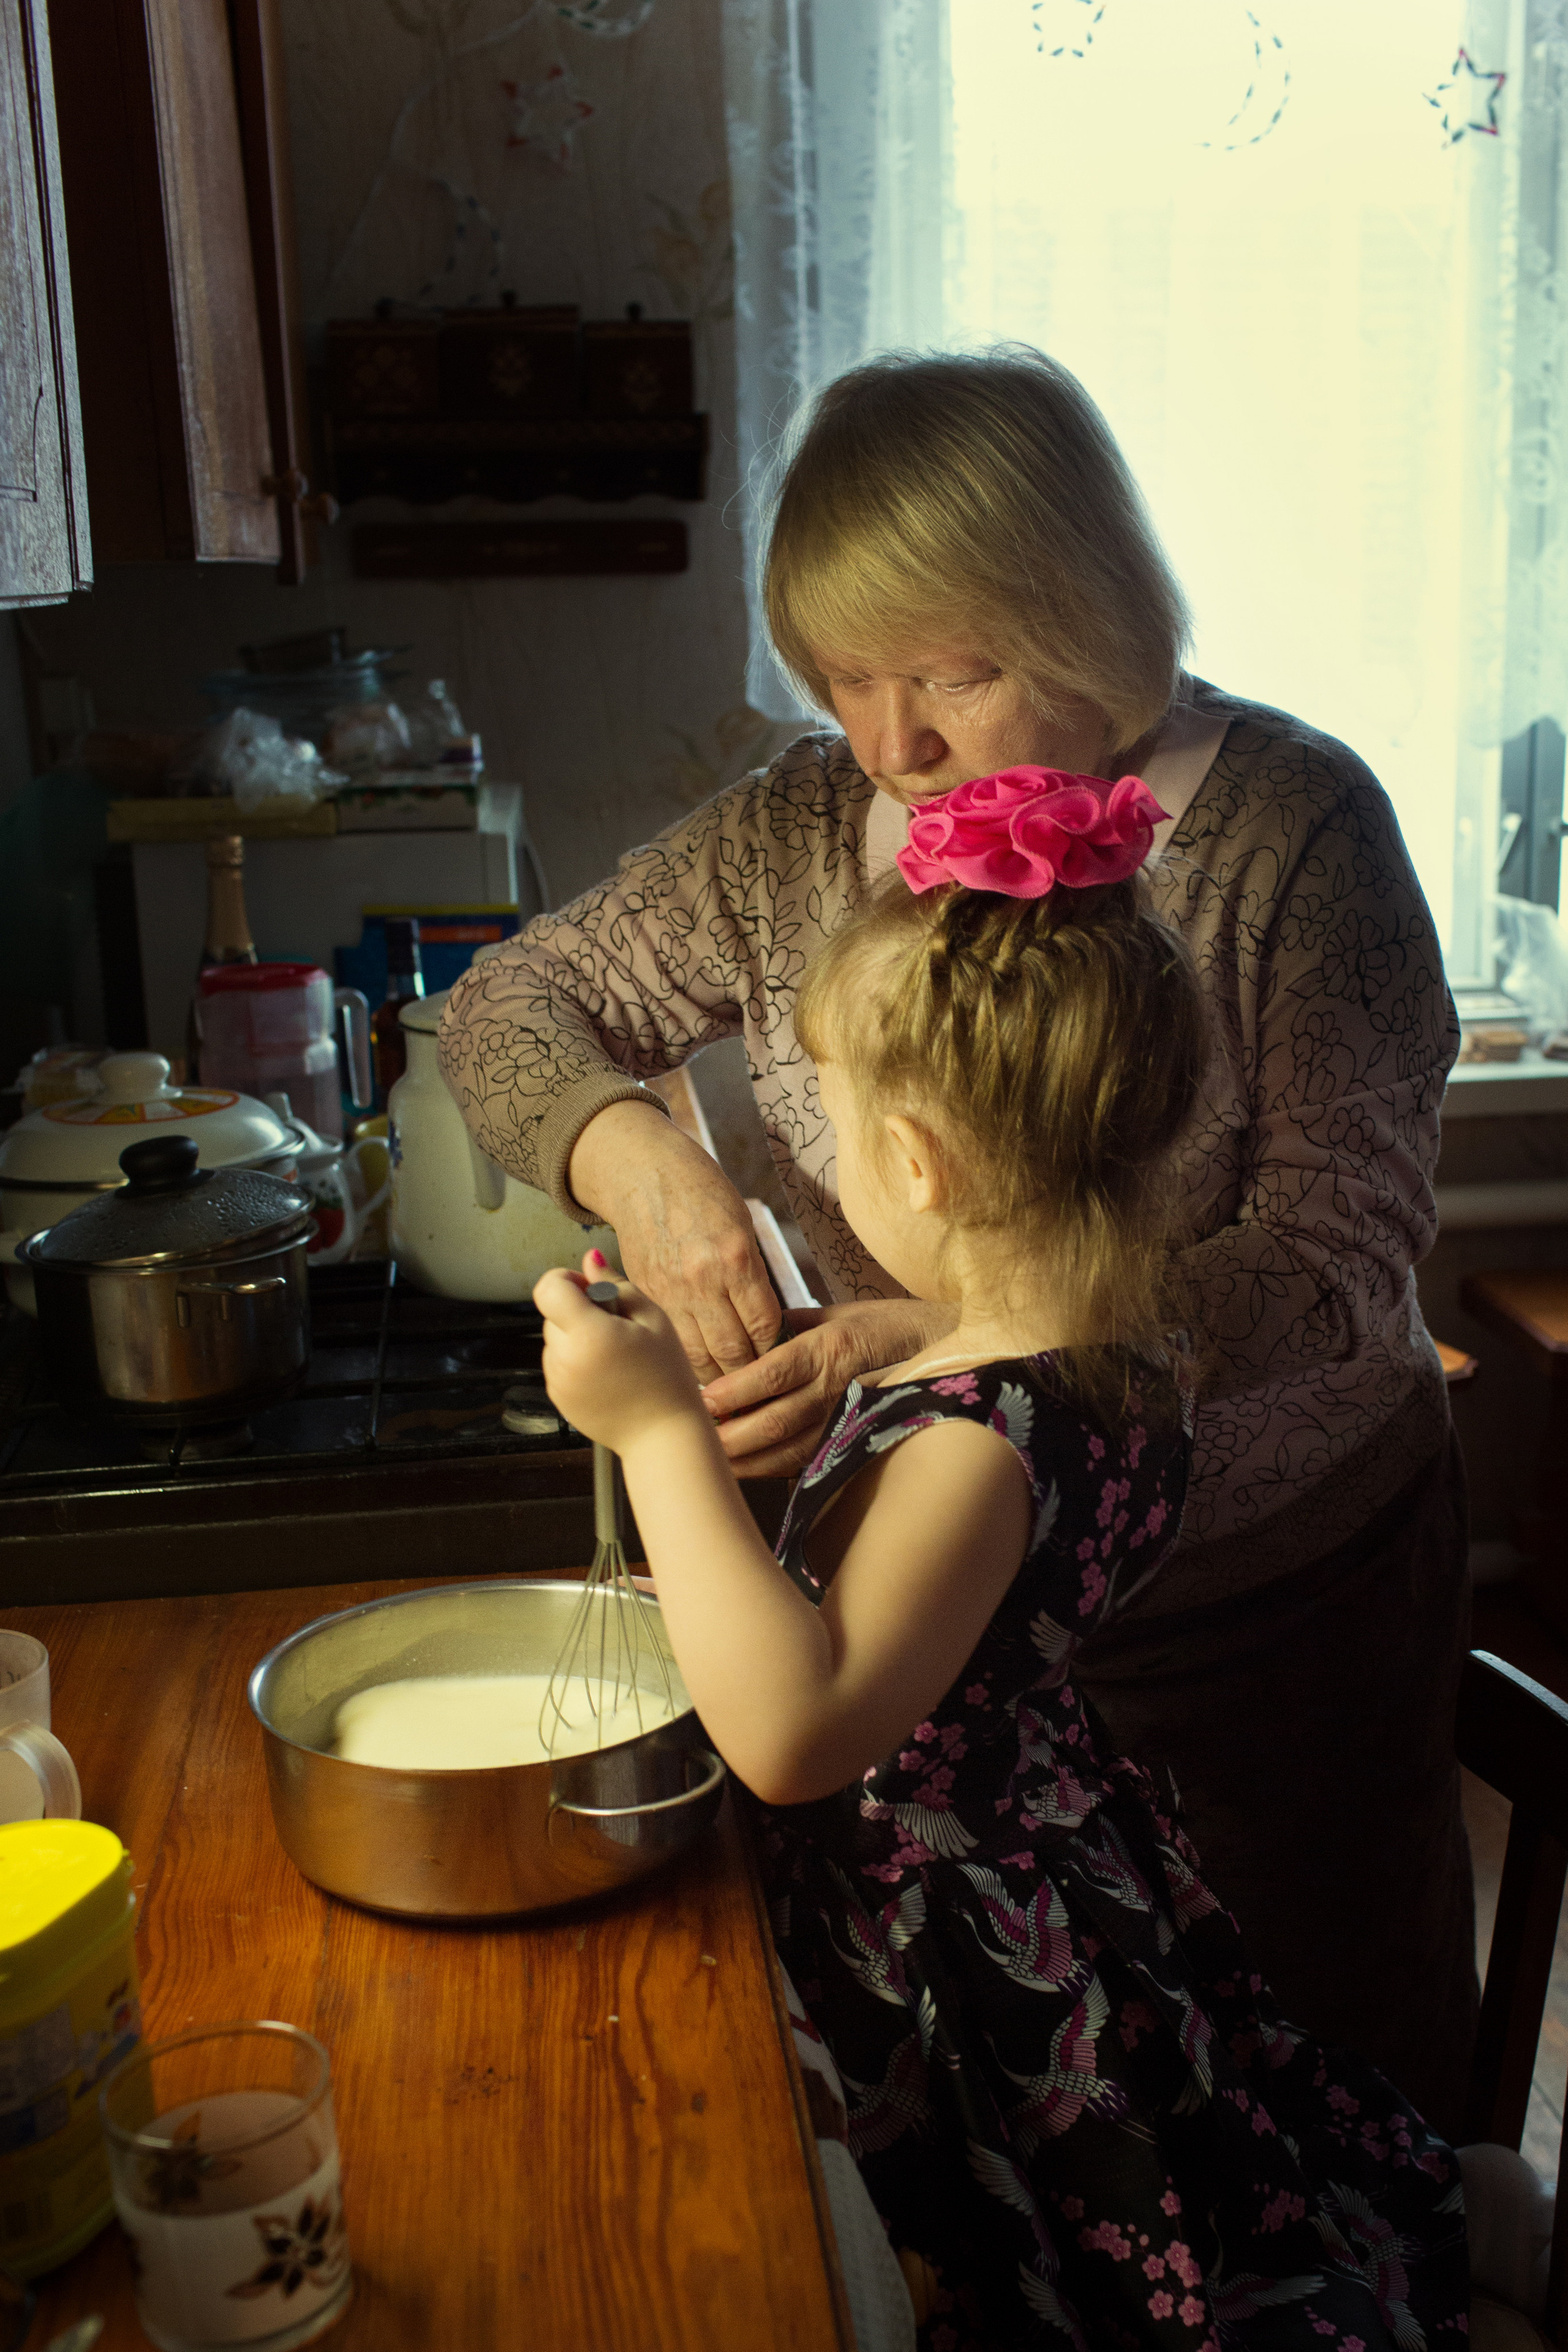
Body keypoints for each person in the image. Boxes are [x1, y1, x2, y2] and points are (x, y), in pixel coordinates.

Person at [439, 347, 1473, 2128]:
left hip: (1267, 1617)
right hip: (956, 1617)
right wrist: (648, 1169)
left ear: (1092, 616)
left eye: (952, 674)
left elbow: (1332, 1262)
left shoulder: (1293, 834)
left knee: (1323, 2100)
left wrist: (945, 1340)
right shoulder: (792, 831)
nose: (891, 744)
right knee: (1080, 2103)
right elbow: (510, 1005)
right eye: (846, 678)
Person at [532, 782, 1469, 2352]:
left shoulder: (975, 1440)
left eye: (837, 1122)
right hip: (1056, 1841)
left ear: (913, 1160)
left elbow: (799, 1733)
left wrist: (655, 1437)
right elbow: (908, 1631)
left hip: (951, 1942)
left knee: (1007, 2288)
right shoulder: (1118, 1348)